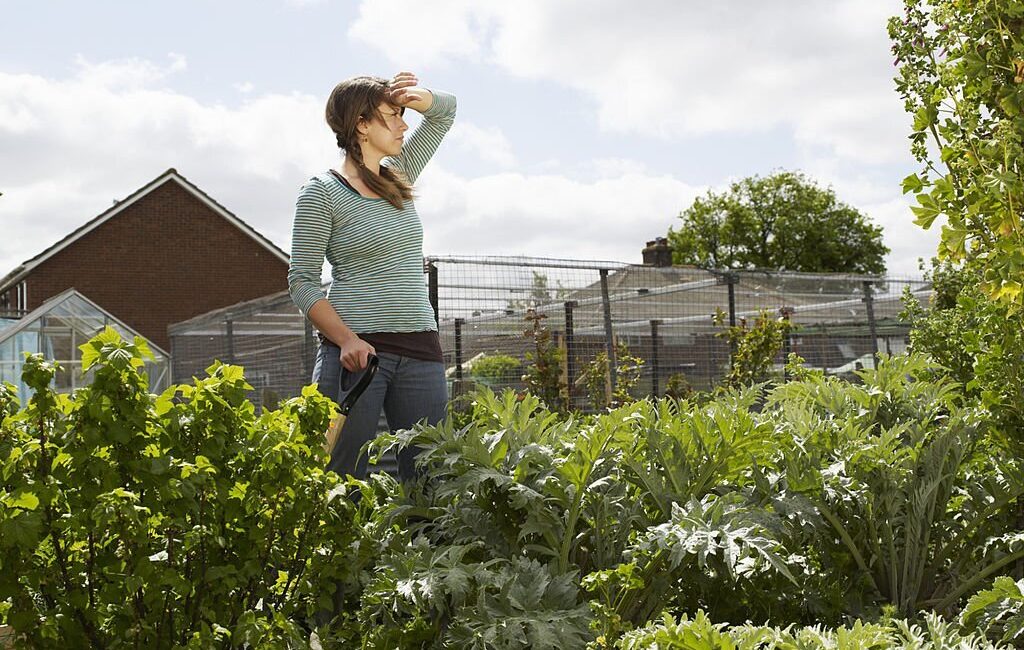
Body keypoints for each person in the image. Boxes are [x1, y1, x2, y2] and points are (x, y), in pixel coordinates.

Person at [287, 71, 455, 481]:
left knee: (431, 479)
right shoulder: (322, 192)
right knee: (343, 478)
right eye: (391, 116)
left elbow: (444, 114)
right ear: (361, 124)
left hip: (421, 350)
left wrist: (416, 96)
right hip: (358, 356)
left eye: (402, 116)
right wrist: (346, 339)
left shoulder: (398, 173)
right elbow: (302, 280)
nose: (403, 125)